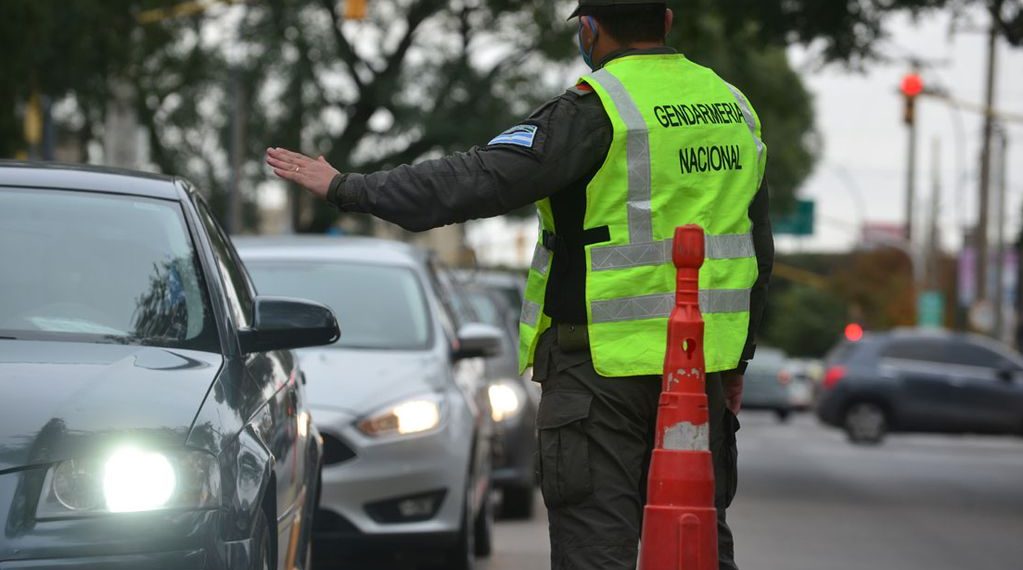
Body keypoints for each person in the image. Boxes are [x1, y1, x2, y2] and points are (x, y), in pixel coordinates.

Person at [266, 1, 773, 568]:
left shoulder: (598, 108)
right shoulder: (733, 108)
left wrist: (347, 187)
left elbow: (476, 180)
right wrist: (737, 363)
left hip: (599, 375)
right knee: (696, 538)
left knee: (595, 549)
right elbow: (756, 247)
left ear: (589, 29)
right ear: (668, 21)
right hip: (696, 369)